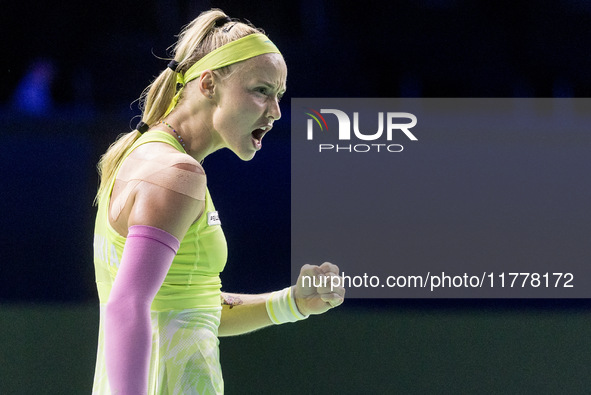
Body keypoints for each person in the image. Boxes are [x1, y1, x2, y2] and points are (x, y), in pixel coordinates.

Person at [92, 8, 345, 395]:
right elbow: (126, 306)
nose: (276, 112)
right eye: (261, 90)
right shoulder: (176, 174)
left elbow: (193, 306)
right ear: (208, 84)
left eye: (278, 96)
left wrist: (291, 302)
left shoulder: (149, 157)